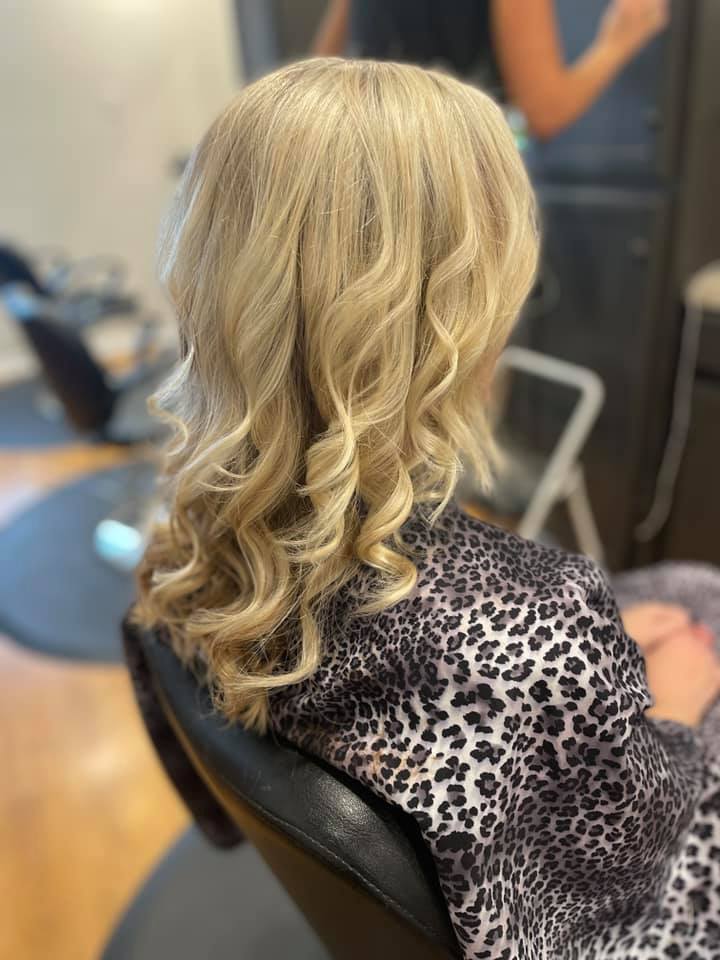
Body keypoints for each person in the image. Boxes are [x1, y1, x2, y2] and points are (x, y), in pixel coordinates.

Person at [130, 59, 720, 958]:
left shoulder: (185, 537)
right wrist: (670, 705)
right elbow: (631, 856)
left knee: (681, 589)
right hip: (628, 914)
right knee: (702, 601)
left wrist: (597, 676)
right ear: (461, 308)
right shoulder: (541, 622)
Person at [313, 0, 669, 138]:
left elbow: (322, 69)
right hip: (455, 185)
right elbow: (543, 111)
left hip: (361, 173)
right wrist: (617, 43)